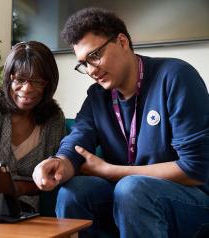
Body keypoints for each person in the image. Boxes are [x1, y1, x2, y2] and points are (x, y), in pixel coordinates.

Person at [32, 7, 209, 238]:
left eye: (94, 56)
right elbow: (78, 138)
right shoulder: (97, 96)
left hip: (191, 200)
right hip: (130, 197)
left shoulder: (176, 76)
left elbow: (195, 170)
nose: (91, 70)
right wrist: (59, 163)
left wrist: (111, 171)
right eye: (83, 63)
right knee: (74, 191)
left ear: (122, 41)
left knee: (132, 189)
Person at [0, 41, 66, 211]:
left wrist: (20, 188)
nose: (27, 89)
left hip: (24, 209)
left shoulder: (54, 119)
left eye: (37, 81)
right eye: (20, 79)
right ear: (9, 78)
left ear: (49, 83)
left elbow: (55, 175)